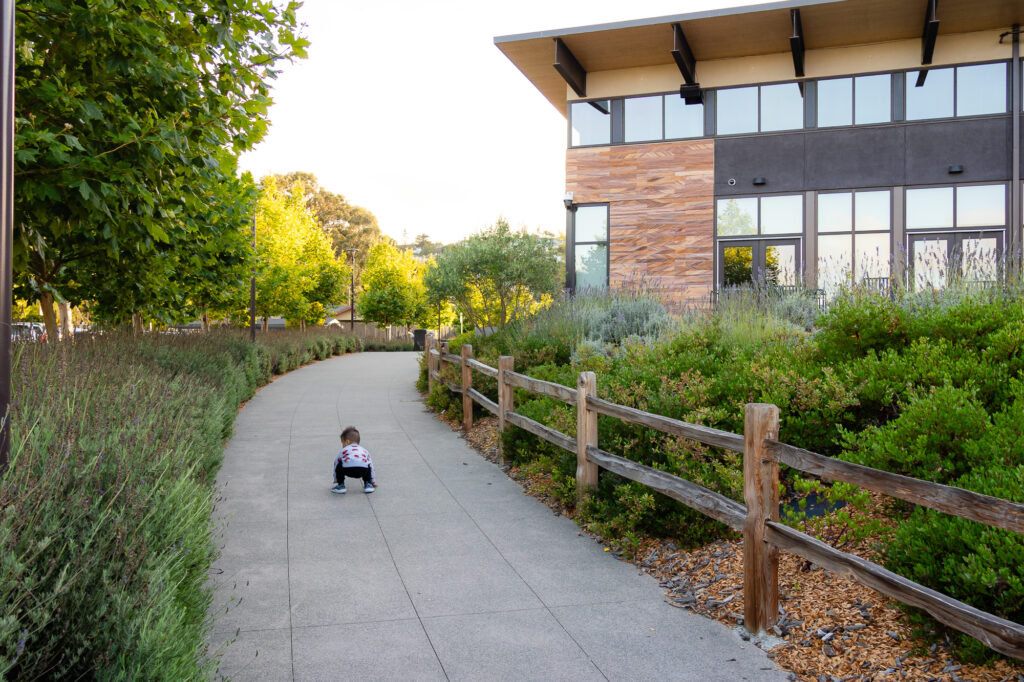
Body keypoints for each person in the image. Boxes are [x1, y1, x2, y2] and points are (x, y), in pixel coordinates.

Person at [332, 426, 376, 494]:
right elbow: (371, 467)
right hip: (363, 470)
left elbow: (336, 463)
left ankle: (341, 486)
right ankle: (368, 485)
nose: (342, 445)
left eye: (342, 443)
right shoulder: (364, 451)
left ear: (347, 442)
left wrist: (336, 479)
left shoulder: (343, 450)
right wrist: (373, 480)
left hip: (348, 469)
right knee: (367, 464)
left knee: (339, 464)